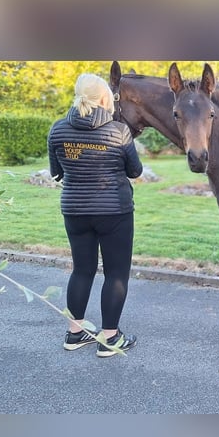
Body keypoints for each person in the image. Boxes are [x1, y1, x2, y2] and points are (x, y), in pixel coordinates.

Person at [47, 73, 143, 357]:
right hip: (114, 211)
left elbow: (56, 173)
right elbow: (134, 171)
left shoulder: (57, 129)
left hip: (75, 210)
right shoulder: (118, 131)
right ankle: (110, 338)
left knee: (82, 269)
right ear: (104, 99)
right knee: (116, 273)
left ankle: (75, 333)